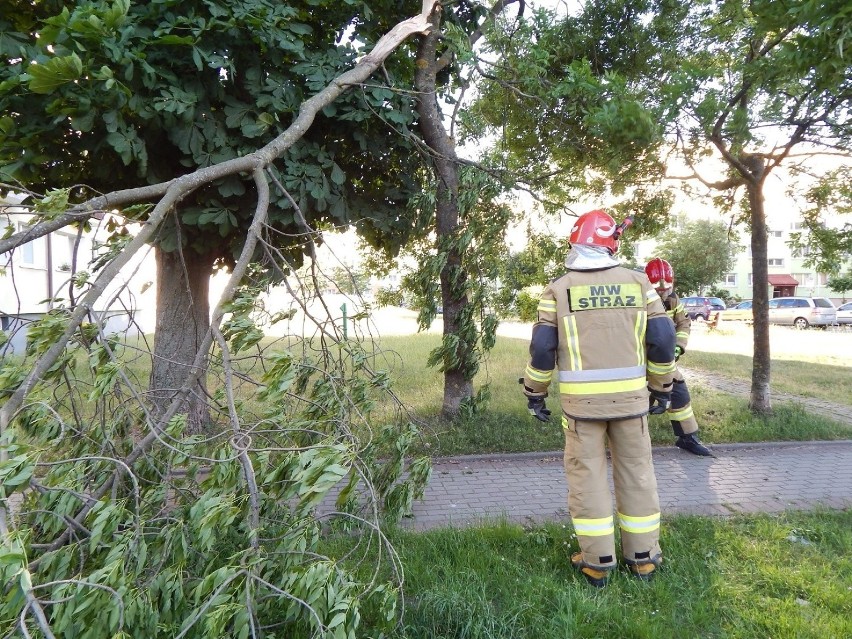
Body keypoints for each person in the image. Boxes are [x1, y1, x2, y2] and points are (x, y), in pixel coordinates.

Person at [521, 209, 676, 588]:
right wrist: (662, 386)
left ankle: (597, 562)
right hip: (632, 405)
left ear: (576, 243)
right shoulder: (640, 284)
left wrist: (534, 392)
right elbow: (663, 340)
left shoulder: (558, 289)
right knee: (637, 475)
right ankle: (643, 558)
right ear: (612, 244)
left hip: (581, 409)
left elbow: (543, 348)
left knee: (586, 479)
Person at [644, 258, 713, 457]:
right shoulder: (637, 301)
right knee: (638, 401)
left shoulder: (673, 300)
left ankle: (687, 438)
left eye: (666, 288)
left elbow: (683, 323)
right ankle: (630, 445)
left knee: (679, 394)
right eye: (658, 289)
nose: (663, 292)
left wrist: (678, 347)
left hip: (665, 361)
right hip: (640, 361)